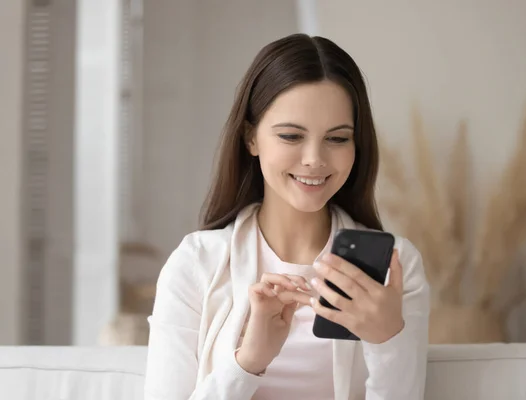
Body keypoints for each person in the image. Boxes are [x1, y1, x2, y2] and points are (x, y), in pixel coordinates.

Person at [144, 33, 430, 400]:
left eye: (337, 138)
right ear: (251, 138)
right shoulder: (196, 264)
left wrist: (388, 341)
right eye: (292, 136)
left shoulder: (395, 269)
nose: (315, 159)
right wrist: (248, 362)